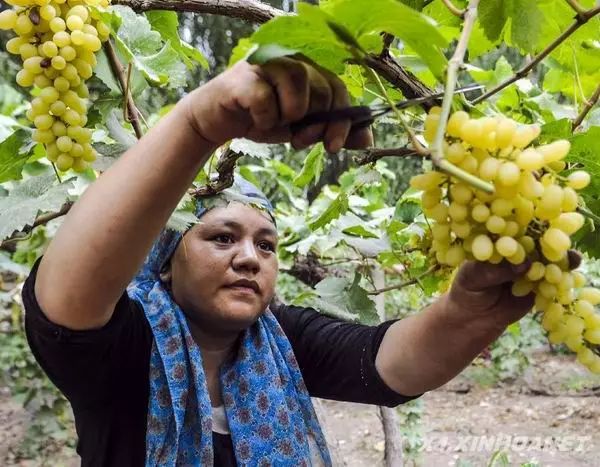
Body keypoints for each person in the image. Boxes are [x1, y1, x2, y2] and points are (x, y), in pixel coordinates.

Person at [22, 57, 535, 466]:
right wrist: (200, 126)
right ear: (164, 264)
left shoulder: (278, 339)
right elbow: (69, 295)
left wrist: (466, 316)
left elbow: (387, 364)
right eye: (222, 238)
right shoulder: (124, 349)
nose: (250, 257)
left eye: (266, 245)